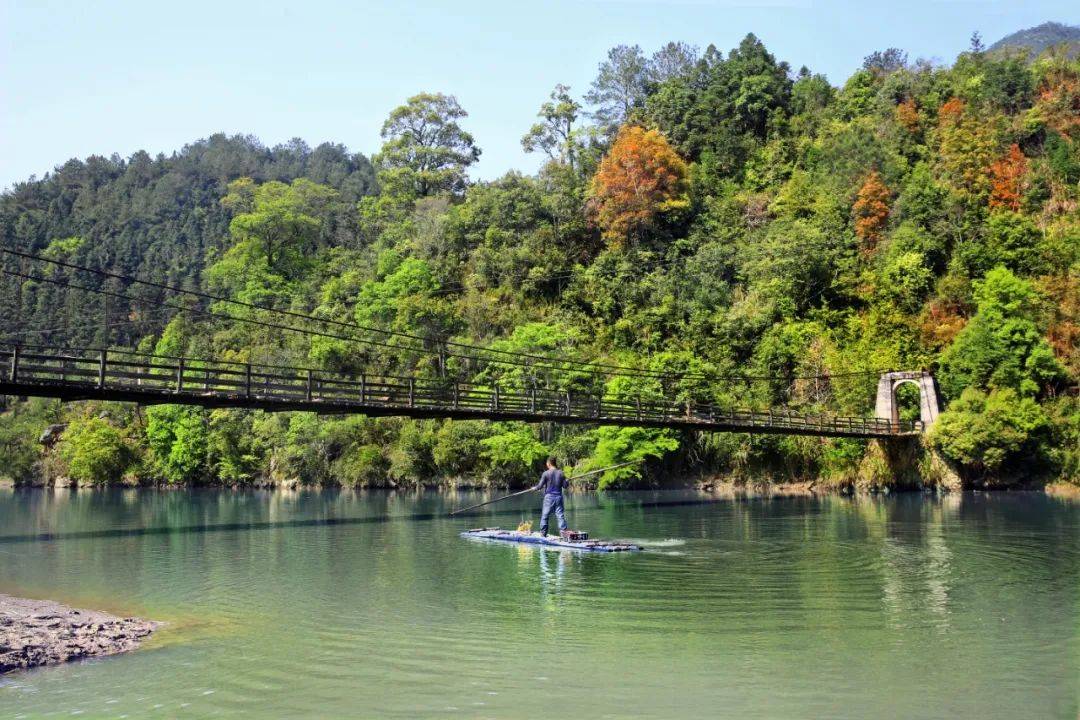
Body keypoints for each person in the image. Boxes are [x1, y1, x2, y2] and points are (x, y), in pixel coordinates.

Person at [533, 456, 568, 536]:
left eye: (546, 463)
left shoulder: (546, 473)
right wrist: (566, 481)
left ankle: (543, 533)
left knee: (545, 515)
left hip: (549, 497)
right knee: (560, 515)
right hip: (558, 497)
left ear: (549, 463)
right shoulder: (561, 473)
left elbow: (540, 486)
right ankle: (563, 532)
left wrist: (534, 488)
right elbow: (565, 486)